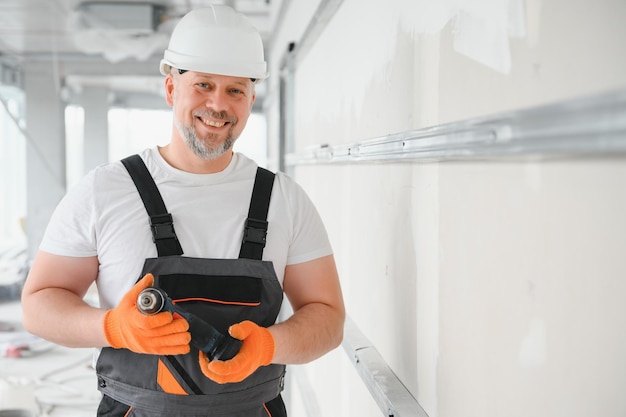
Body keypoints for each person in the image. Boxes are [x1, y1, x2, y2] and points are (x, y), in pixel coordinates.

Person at [21, 5, 345, 417]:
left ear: (251, 98)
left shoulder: (284, 198)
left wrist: (269, 345)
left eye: (235, 90)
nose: (218, 105)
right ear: (172, 88)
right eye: (204, 84)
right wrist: (114, 328)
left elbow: (328, 317)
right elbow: (38, 303)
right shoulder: (105, 191)